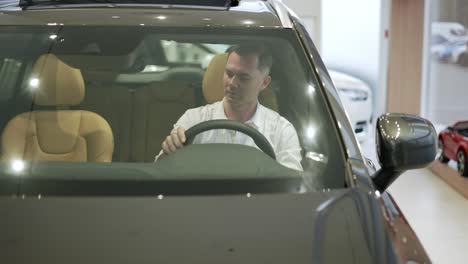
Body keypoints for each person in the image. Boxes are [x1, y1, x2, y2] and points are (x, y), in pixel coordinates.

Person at [156, 44, 302, 171]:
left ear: (264, 83)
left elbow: (292, 186)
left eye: (243, 78)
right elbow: (161, 173)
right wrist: (168, 152)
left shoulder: (281, 131)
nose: (232, 83)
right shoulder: (193, 119)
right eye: (229, 74)